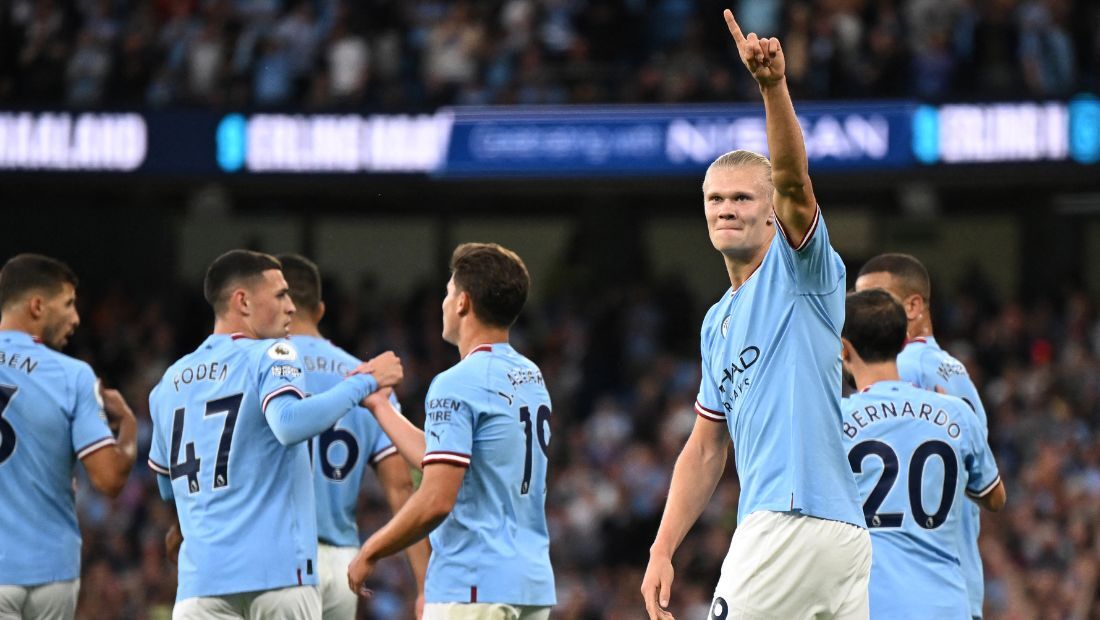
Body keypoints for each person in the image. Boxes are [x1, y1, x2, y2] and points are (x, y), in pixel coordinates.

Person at [641, 10, 870, 620]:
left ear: (772, 214)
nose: (726, 209)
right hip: (839, 539)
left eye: (743, 197)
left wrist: (773, 88)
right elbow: (706, 447)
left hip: (789, 521)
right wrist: (663, 547)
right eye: (715, 199)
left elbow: (795, 184)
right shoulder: (717, 322)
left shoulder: (802, 273)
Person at [148, 250, 402, 619]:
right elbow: (289, 424)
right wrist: (367, 382)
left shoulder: (170, 380)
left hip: (200, 583)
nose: (290, 308)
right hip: (277, 575)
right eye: (281, 295)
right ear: (243, 301)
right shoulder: (273, 353)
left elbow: (166, 486)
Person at [347, 243, 555, 620]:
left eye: (447, 292)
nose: (443, 303)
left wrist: (370, 550)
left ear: (463, 302)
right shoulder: (530, 375)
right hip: (530, 585)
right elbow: (443, 457)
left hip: (473, 583)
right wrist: (380, 406)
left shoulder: (457, 382)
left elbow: (437, 499)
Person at [276, 253, 430, 620]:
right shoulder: (366, 377)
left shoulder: (263, 370)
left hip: (279, 560)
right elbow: (401, 488)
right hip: (341, 565)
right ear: (321, 309)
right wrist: (426, 586)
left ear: (280, 304)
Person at [839, 289, 1006, 618]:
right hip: (946, 604)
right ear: (904, 341)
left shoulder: (834, 421)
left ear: (844, 349)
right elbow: (995, 499)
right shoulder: (956, 413)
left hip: (870, 604)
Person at [0, 253, 137, 619]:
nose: (77, 318)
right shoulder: (72, 375)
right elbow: (109, 478)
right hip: (50, 570)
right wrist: (128, 427)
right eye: (69, 304)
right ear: (37, 305)